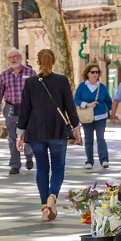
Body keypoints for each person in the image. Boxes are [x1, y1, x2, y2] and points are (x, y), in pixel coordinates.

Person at [17, 48, 79, 221]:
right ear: (54, 61)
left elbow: (25, 110)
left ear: (37, 61)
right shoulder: (62, 81)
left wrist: (20, 134)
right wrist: (76, 127)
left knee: (42, 168)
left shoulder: (30, 82)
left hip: (35, 131)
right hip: (58, 130)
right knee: (58, 167)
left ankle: (45, 206)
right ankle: (53, 196)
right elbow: (69, 106)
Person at [0, 47, 36, 175]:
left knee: (28, 135)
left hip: (27, 109)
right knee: (12, 137)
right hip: (10, 109)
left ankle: (29, 155)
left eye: (15, 56)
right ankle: (15, 165)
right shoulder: (4, 75)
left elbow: (38, 91)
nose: (13, 59)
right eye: (10, 57)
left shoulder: (31, 73)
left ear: (21, 58)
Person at [74, 64, 112, 170]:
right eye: (93, 72)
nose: (95, 74)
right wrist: (86, 104)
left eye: (97, 72)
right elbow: (76, 100)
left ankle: (104, 160)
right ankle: (89, 161)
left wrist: (112, 113)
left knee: (101, 138)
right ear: (87, 74)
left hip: (101, 116)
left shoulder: (102, 87)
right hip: (87, 117)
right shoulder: (82, 86)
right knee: (88, 139)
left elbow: (108, 101)